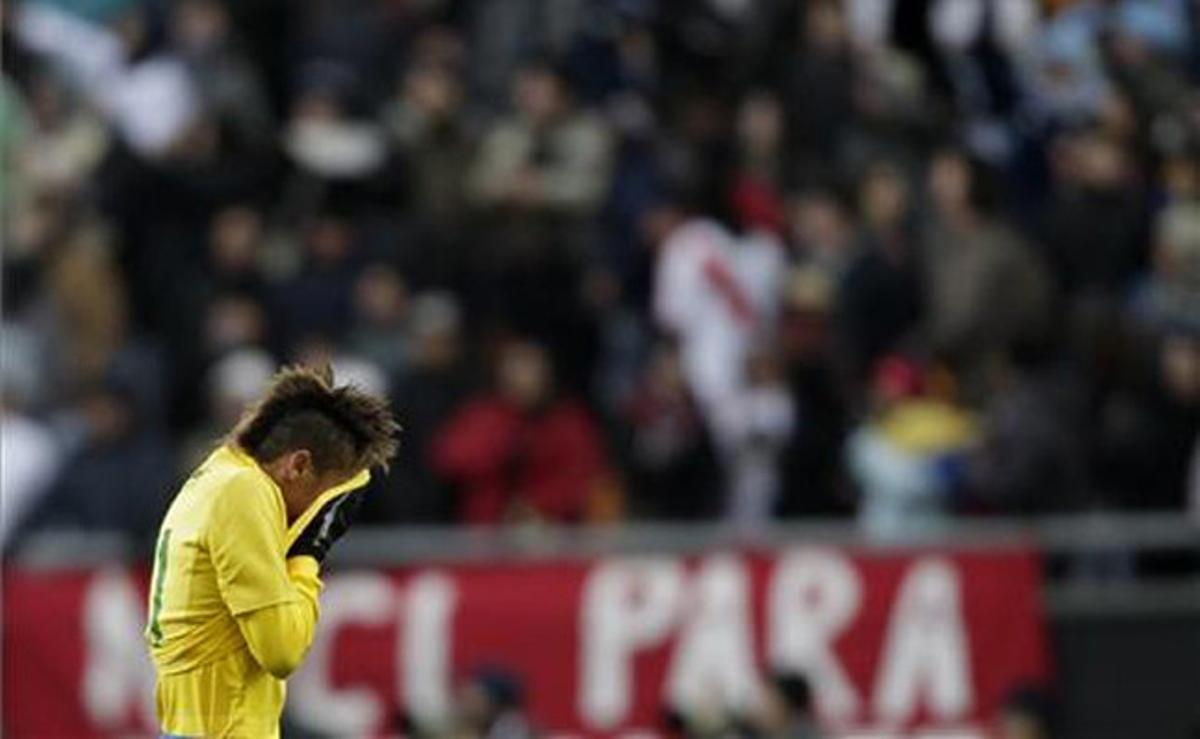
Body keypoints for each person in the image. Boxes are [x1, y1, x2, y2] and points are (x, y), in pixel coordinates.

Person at [144, 364, 399, 738]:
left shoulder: (219, 473)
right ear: (298, 465)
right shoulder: (245, 491)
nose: (317, 510)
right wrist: (311, 550)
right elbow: (281, 651)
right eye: (323, 495)